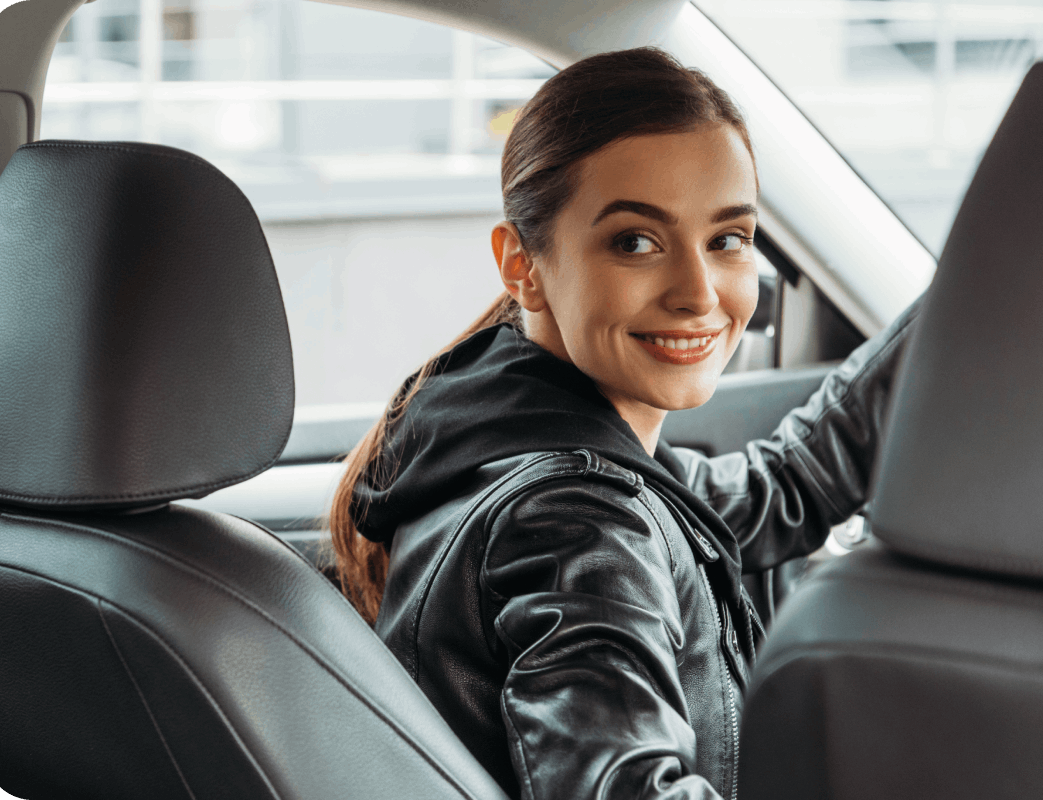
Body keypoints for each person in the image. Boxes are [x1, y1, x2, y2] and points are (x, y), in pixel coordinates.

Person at [329, 47, 919, 800]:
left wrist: (994, 277)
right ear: (522, 266)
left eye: (728, 240)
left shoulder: (503, 432)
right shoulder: (577, 519)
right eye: (636, 241)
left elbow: (776, 490)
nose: (699, 293)